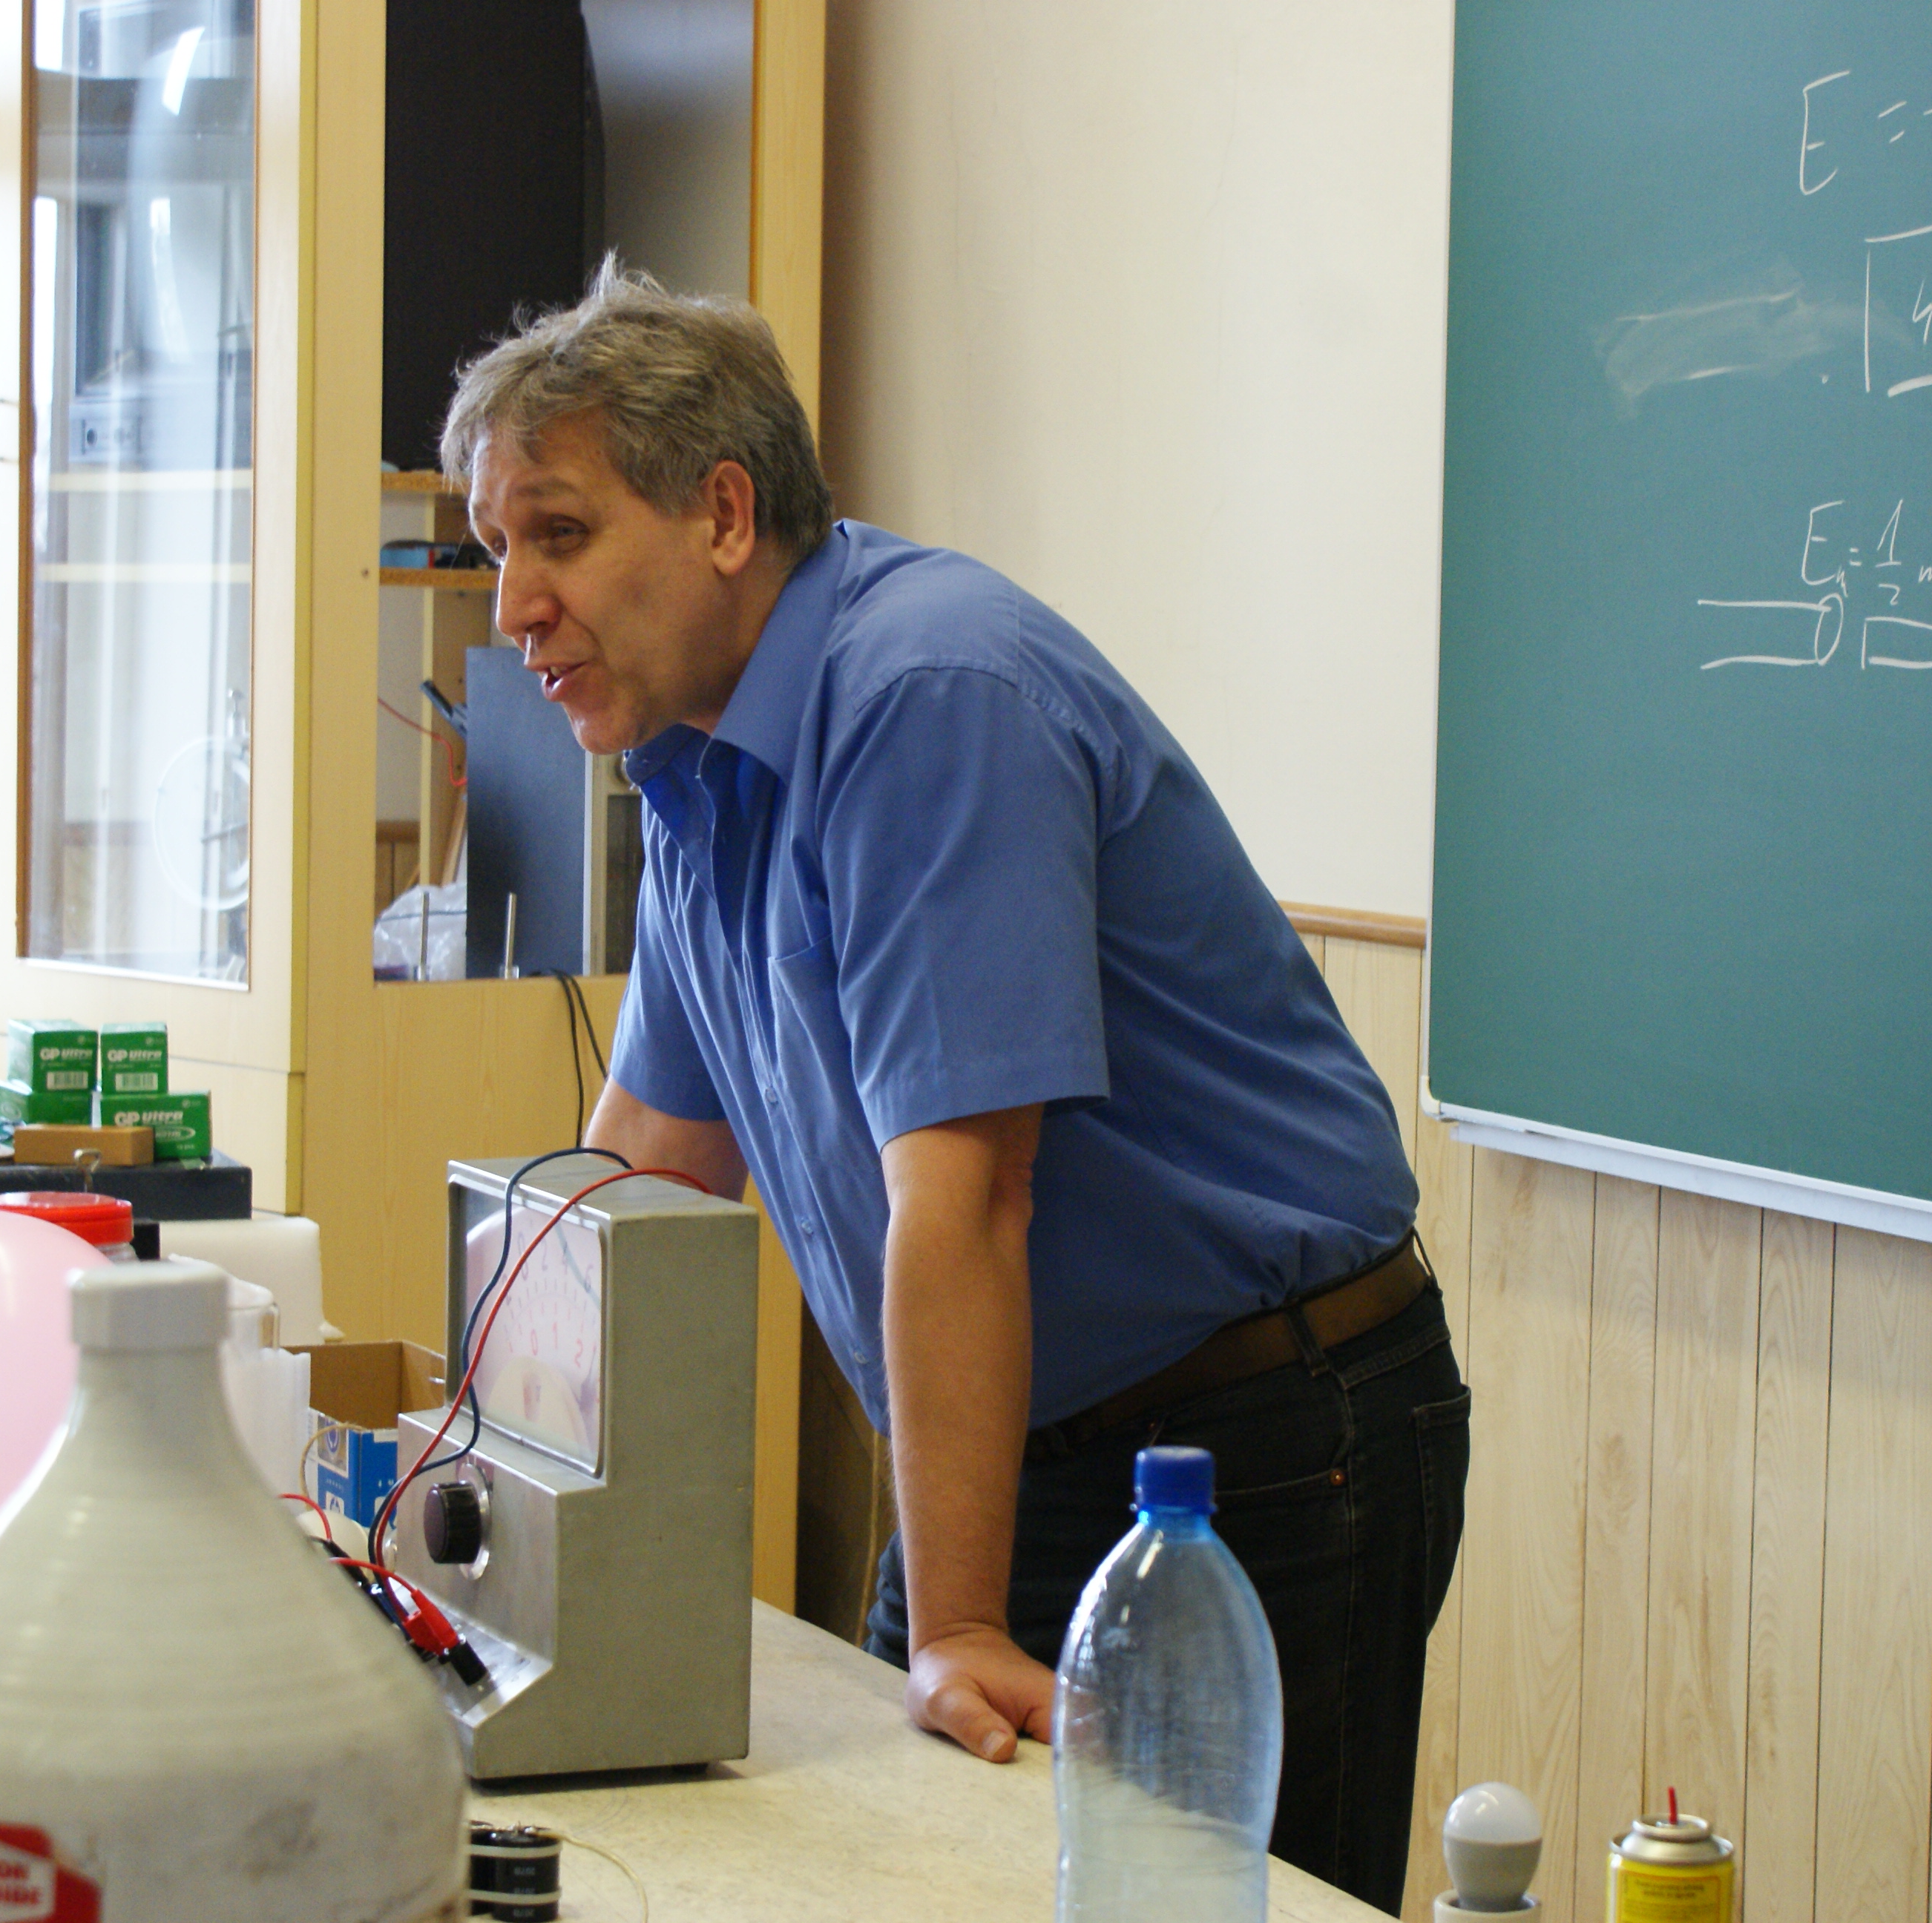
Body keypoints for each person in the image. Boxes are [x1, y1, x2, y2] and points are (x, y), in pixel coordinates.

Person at [441, 259, 1468, 1911]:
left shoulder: (927, 693)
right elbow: (635, 1179)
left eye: (558, 534)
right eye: (496, 548)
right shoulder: (693, 758)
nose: (513, 608)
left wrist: (962, 1621)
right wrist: (460, 1492)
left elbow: (972, 1192)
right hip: (1022, 1442)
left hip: (1257, 1438)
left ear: (722, 513)